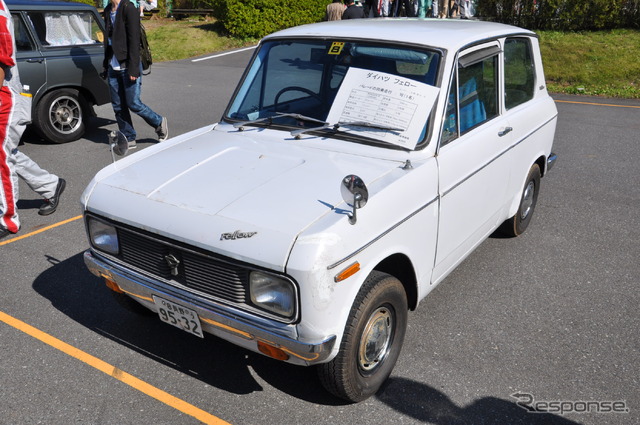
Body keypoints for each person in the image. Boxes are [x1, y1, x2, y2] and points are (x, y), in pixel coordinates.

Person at [0, 0, 66, 240]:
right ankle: (50, 185)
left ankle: (8, 220)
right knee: (7, 153)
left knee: (2, 157)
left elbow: (2, 60)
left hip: (5, 96)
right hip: (7, 95)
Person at [103, 0, 167, 148]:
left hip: (128, 64)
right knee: (118, 106)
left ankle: (158, 122)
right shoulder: (108, 10)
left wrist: (133, 68)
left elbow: (134, 40)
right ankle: (128, 137)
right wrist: (106, 65)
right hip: (113, 65)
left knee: (133, 103)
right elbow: (109, 40)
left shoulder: (129, 8)